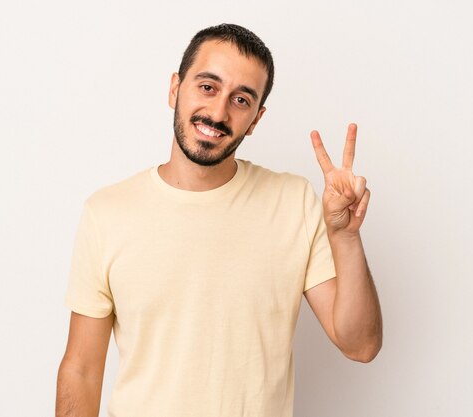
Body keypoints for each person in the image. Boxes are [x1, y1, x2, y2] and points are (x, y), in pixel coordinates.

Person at [56, 23, 382, 417]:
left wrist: (345, 237)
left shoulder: (293, 202)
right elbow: (82, 371)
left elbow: (360, 345)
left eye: (241, 99)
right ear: (175, 88)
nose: (218, 111)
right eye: (207, 87)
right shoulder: (106, 213)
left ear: (256, 119)